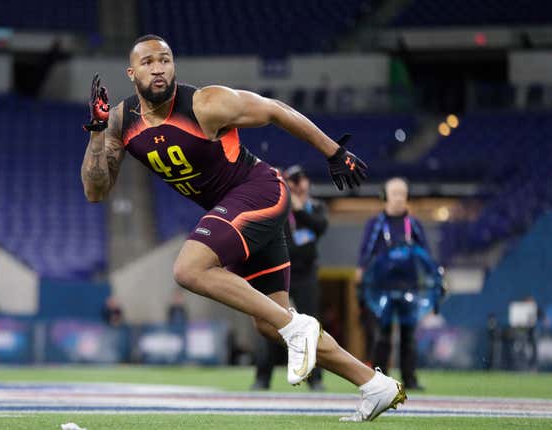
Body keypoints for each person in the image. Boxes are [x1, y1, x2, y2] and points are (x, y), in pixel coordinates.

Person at [80, 34, 405, 421]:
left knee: (190, 268)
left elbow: (275, 110)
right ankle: (374, 384)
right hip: (237, 210)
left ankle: (297, 327)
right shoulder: (119, 121)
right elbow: (96, 190)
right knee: (270, 324)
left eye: (165, 60)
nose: (158, 68)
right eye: (148, 62)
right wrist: (99, 133)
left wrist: (332, 151)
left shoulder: (205, 103)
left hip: (261, 192)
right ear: (132, 73)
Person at [251, 165, 327, 391]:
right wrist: (288, 203)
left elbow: (320, 227)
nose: (299, 184)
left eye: (302, 179)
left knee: (312, 325)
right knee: (271, 322)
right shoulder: (279, 205)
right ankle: (262, 377)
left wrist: (300, 209)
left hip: (306, 274)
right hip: (280, 272)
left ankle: (316, 380)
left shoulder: (315, 207)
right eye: (294, 180)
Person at [356, 177, 434, 390]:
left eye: (403, 193)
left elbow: (425, 254)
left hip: (409, 287)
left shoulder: (414, 224)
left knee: (408, 336)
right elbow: (366, 253)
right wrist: (361, 275)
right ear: (385, 197)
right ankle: (381, 379)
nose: (399, 198)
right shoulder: (376, 224)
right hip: (382, 288)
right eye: (395, 193)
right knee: (382, 335)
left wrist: (432, 278)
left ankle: (410, 379)